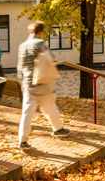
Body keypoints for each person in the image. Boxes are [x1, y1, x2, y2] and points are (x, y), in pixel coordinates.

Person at [17, 21, 70, 149]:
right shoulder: (41, 44)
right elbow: (52, 59)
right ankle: (58, 129)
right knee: (50, 106)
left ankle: (22, 140)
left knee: (27, 113)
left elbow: (20, 67)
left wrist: (22, 81)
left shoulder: (22, 46)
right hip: (42, 82)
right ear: (40, 32)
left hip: (28, 84)